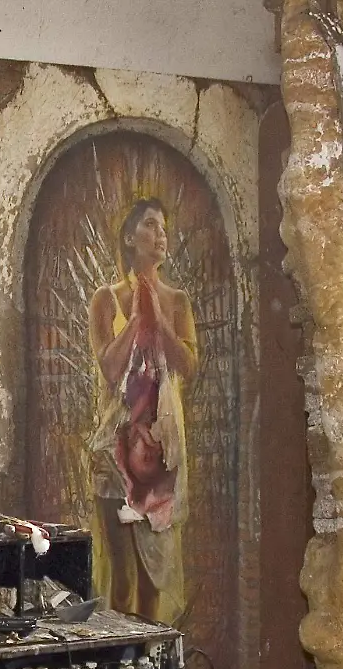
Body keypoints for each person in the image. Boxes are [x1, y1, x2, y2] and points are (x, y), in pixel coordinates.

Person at [87, 197, 196, 623]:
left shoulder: (178, 301)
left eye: (164, 226)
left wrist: (159, 318)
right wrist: (135, 318)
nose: (161, 234)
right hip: (115, 454)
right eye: (151, 225)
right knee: (122, 579)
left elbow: (187, 365)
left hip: (161, 459)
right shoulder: (106, 300)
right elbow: (111, 369)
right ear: (132, 237)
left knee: (153, 585)